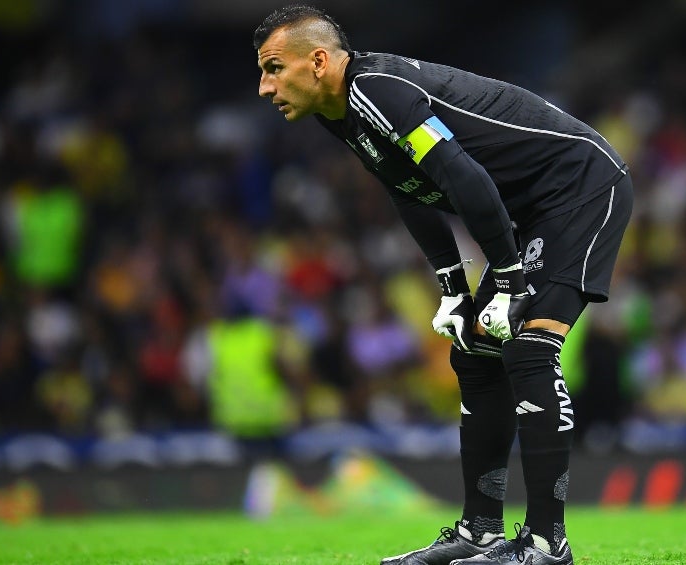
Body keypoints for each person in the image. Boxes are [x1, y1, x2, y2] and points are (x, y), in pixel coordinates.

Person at [253, 6, 633, 565]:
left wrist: (507, 277)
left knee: (528, 346)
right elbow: (409, 188)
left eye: (272, 68)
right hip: (528, 208)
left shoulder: (376, 90)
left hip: (580, 186)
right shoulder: (339, 111)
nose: (264, 88)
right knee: (476, 353)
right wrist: (453, 286)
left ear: (317, 61)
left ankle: (548, 544)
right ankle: (480, 531)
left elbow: (463, 176)